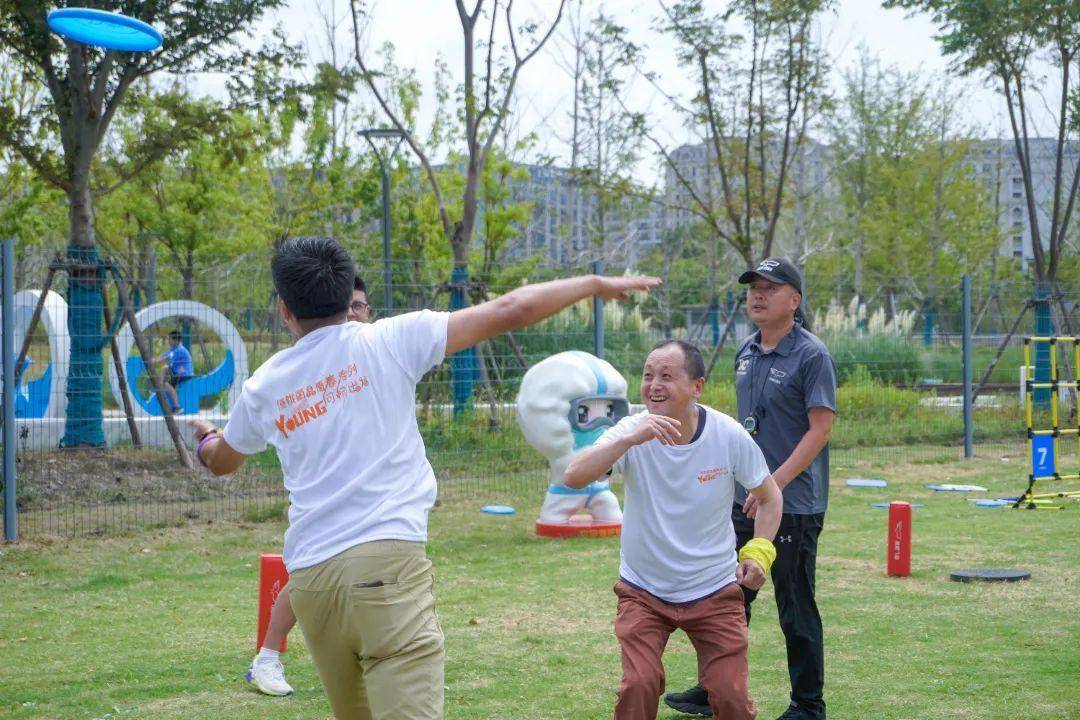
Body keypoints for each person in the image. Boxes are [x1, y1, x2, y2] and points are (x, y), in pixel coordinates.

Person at [193, 236, 658, 720]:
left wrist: (206, 441)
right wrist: (593, 283)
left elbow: (224, 459)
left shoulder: (265, 383)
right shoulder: (389, 339)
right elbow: (512, 308)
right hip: (386, 568)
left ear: (285, 310)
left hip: (309, 581)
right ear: (348, 299)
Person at [565, 339, 783, 720]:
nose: (654, 385)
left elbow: (769, 496)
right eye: (648, 376)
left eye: (667, 375)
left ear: (697, 386)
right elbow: (574, 475)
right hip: (643, 590)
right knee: (639, 684)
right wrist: (630, 439)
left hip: (714, 589)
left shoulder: (727, 435)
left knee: (731, 695)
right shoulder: (632, 431)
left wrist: (759, 551)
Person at [664, 258, 837, 720]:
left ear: (794, 301)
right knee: (726, 597)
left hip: (793, 502)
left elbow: (819, 430)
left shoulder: (812, 355)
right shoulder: (746, 351)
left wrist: (772, 485)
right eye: (753, 288)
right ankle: (712, 687)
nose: (757, 295)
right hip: (745, 498)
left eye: (771, 287)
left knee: (794, 604)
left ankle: (808, 705)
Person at [244, 274, 373, 697]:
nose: (353, 314)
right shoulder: (297, 370)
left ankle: (376, 655)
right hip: (324, 508)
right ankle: (267, 657)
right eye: (347, 306)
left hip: (376, 505)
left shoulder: (376, 354)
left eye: (361, 307)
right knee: (305, 579)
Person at [156, 329, 193, 414]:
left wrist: (155, 361)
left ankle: (176, 407)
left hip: (185, 374)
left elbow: (164, 359)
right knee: (165, 368)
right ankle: (159, 386)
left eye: (169, 339)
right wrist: (151, 361)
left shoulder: (179, 350)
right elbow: (161, 357)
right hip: (178, 372)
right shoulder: (173, 349)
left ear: (176, 340)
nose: (168, 341)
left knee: (168, 384)